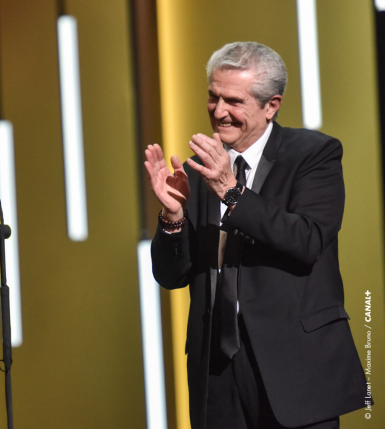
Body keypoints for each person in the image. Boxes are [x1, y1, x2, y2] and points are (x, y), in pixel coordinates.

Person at [145, 41, 367, 429]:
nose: (219, 112)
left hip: (295, 366)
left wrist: (232, 192)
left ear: (271, 105)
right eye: (213, 97)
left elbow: (308, 240)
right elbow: (172, 276)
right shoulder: (201, 168)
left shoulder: (314, 154)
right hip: (218, 371)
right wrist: (172, 214)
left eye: (233, 101)